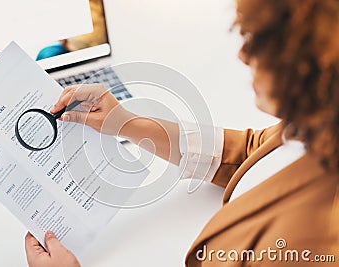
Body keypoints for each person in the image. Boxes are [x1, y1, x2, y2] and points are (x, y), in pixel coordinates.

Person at [24, 0, 339, 266]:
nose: (243, 56)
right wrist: (125, 122)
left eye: (258, 43)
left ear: (312, 65)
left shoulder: (317, 238)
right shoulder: (319, 122)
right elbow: (252, 151)